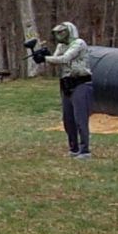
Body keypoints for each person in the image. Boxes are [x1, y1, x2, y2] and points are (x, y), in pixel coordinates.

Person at [41, 21, 93, 159]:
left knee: (80, 119)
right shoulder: (61, 46)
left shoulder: (79, 43)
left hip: (81, 82)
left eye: (62, 32)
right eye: (57, 33)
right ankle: (74, 148)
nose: (59, 35)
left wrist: (45, 58)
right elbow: (56, 60)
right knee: (68, 119)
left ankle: (85, 150)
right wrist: (43, 56)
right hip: (66, 84)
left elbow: (65, 58)